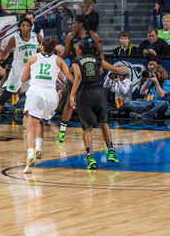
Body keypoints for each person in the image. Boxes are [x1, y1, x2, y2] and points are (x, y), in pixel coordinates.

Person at [69, 40, 128, 169]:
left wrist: (72, 94)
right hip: (99, 92)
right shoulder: (97, 59)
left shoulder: (76, 60)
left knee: (87, 128)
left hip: (85, 93)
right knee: (104, 123)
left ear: (80, 49)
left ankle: (90, 156)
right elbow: (113, 69)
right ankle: (111, 152)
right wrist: (122, 70)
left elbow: (78, 77)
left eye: (77, 46)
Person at [20, 37, 73, 173]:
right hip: (51, 97)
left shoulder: (33, 58)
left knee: (30, 128)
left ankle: (30, 155)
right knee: (40, 121)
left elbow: (23, 79)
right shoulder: (59, 60)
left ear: (42, 46)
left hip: (36, 94)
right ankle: (39, 147)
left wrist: (35, 74)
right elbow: (71, 78)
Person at [0, 18, 38, 132]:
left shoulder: (35, 36)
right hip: (17, 69)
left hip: (31, 69)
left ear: (30, 26)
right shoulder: (15, 39)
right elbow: (5, 52)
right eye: (23, 25)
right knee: (5, 95)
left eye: (27, 25)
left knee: (30, 95)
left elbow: (45, 45)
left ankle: (27, 120)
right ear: (20, 27)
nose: (25, 27)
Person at [57, 14, 103, 142]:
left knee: (92, 102)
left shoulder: (93, 36)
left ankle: (93, 129)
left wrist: (101, 66)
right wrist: (55, 62)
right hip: (75, 72)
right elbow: (66, 53)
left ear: (81, 24)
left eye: (74, 23)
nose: (72, 26)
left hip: (90, 73)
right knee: (70, 103)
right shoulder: (71, 37)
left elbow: (101, 54)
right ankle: (62, 131)